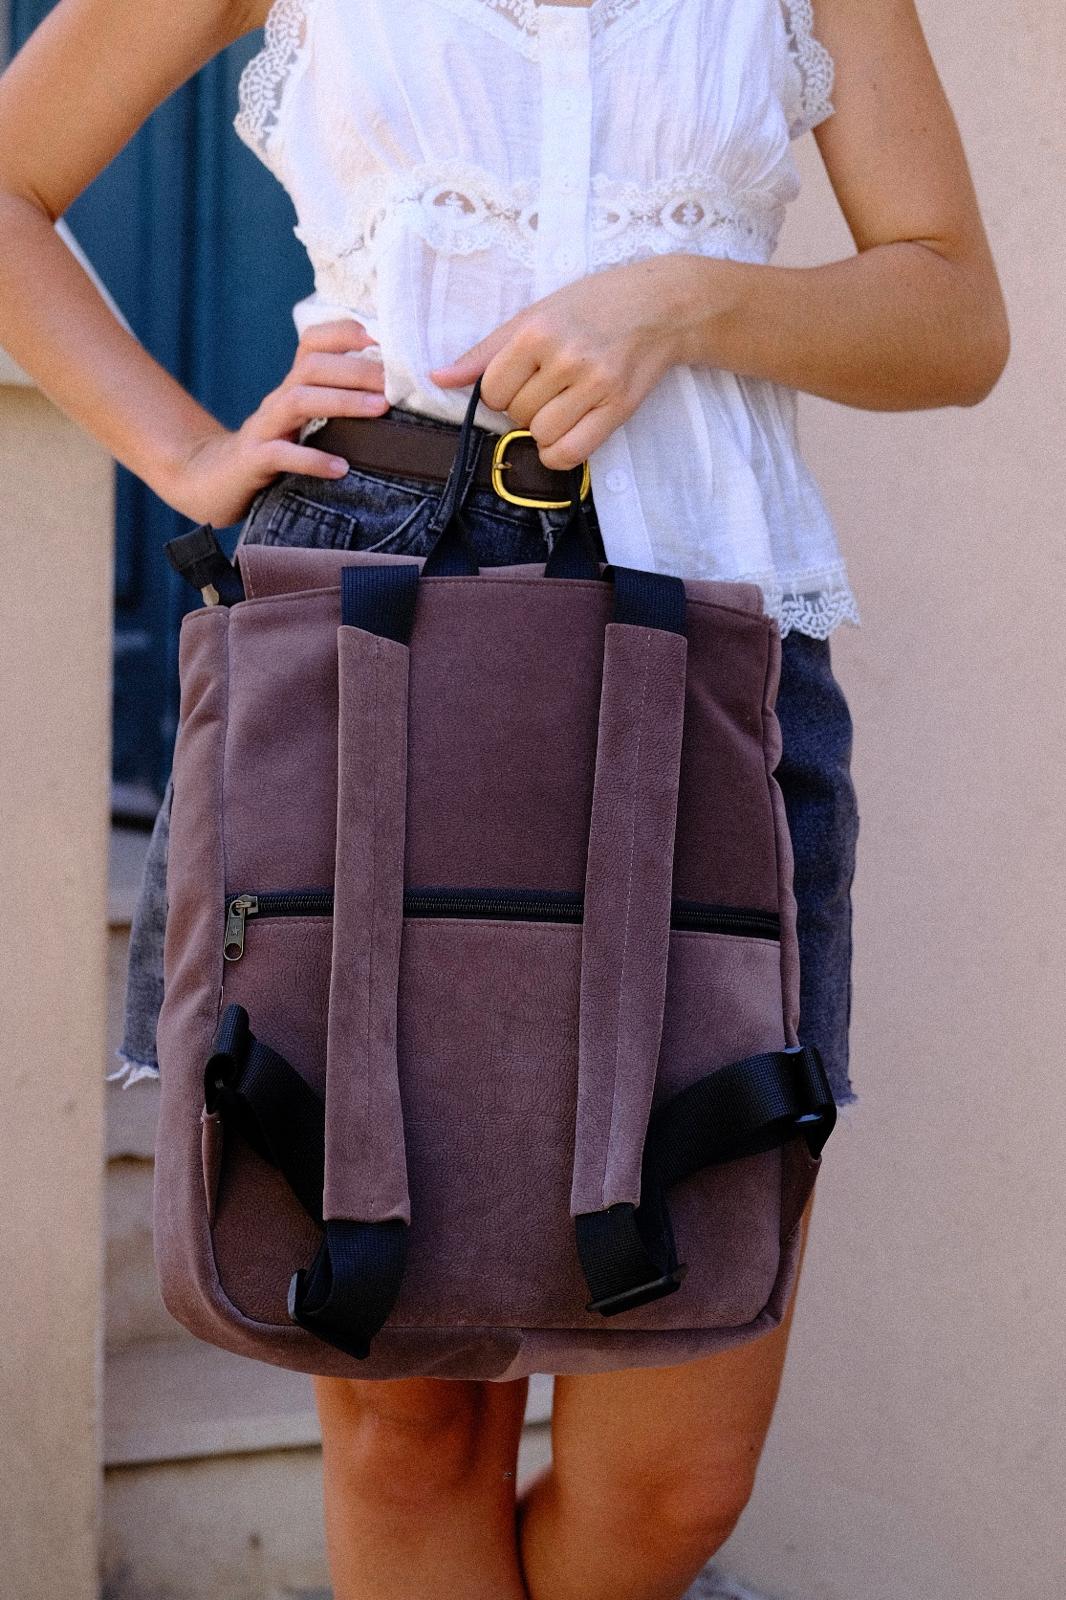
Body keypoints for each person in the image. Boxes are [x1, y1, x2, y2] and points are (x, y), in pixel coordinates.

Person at [0, 1, 1008, 1596]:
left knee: (678, 1458)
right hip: (369, 618)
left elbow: (952, 315)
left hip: (713, 639)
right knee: (405, 1419)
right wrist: (187, 455)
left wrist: (681, 301)